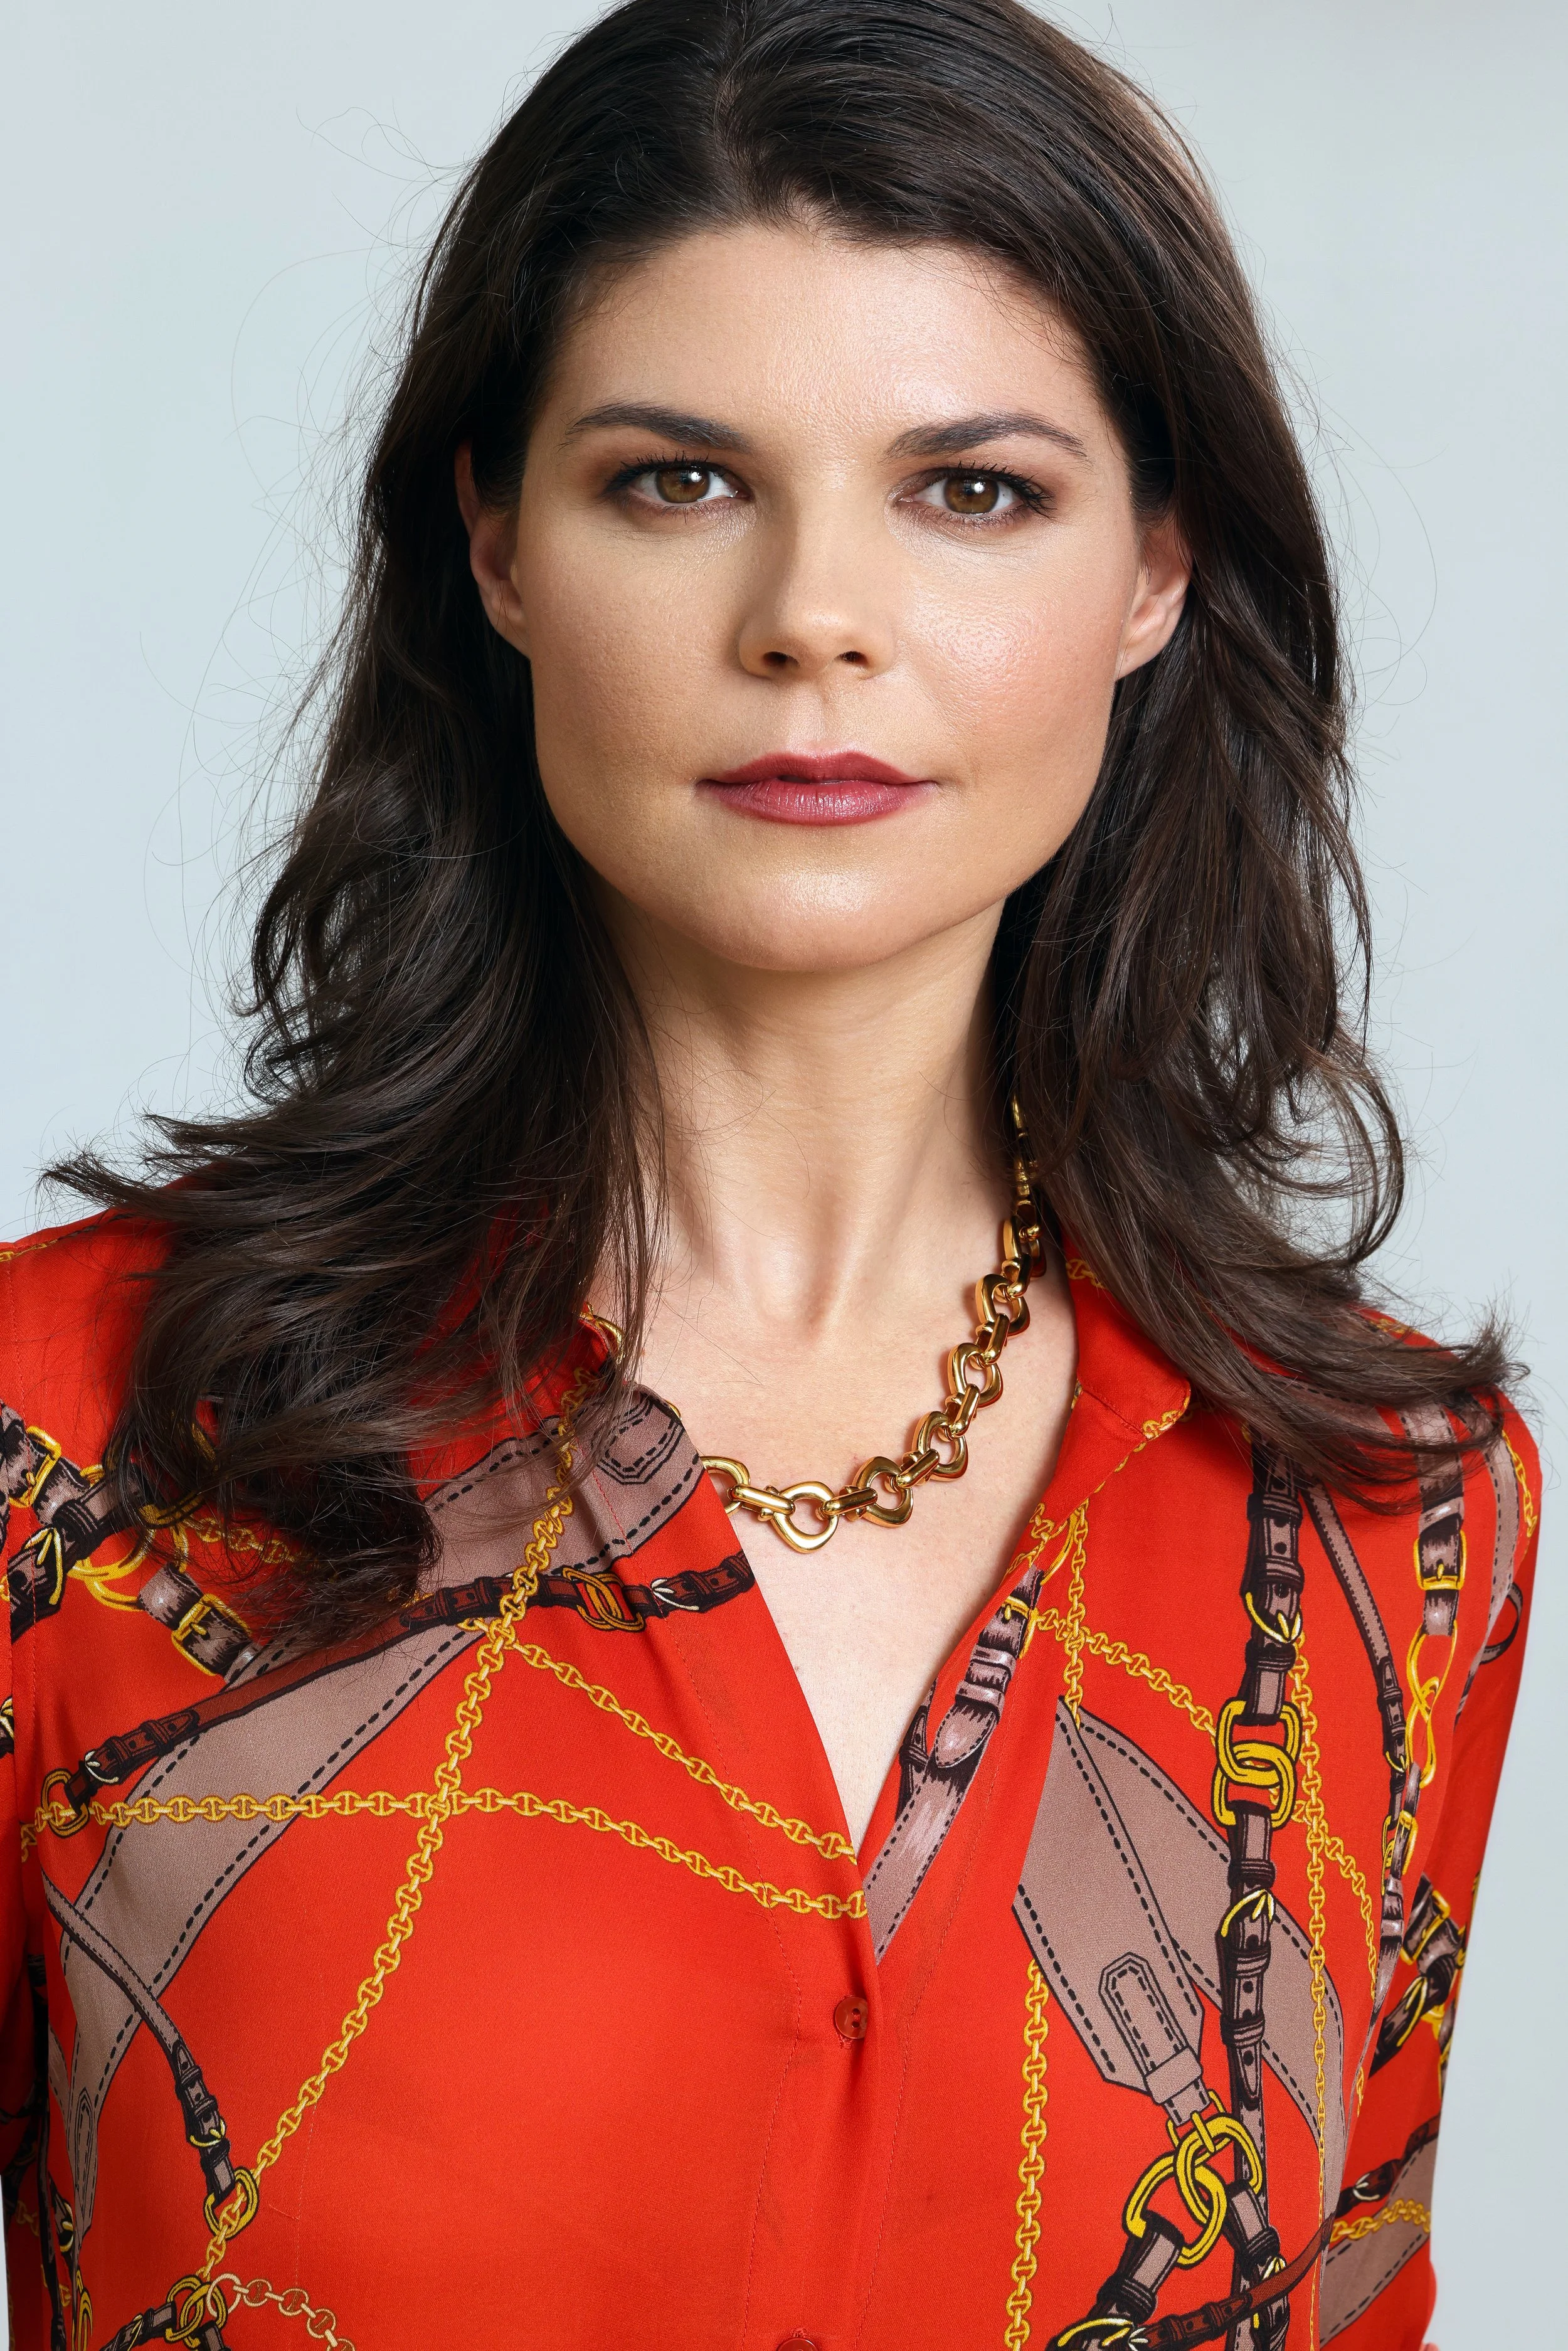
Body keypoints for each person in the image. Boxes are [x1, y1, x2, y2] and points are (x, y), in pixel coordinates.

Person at [0, 1, 1536, 2345]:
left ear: (1153, 571)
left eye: (972, 489)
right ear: (495, 544)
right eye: (677, 479)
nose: (813, 616)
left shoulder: (1391, 1515)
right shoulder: (58, 1444)